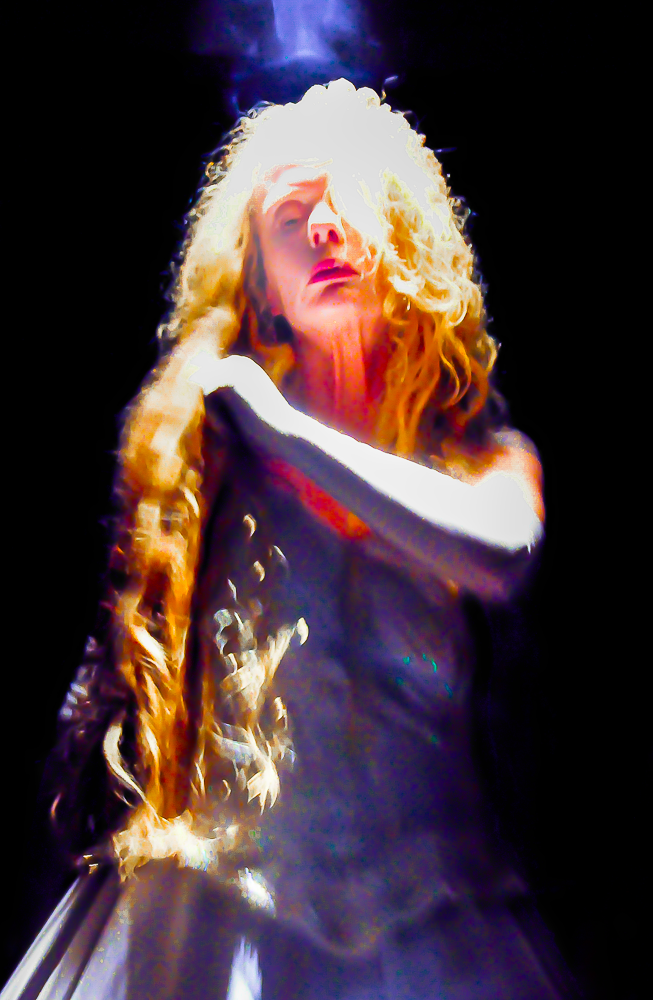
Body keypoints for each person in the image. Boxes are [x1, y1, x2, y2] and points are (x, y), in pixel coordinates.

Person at [3, 79, 579, 1000]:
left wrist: (281, 428)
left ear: (401, 240)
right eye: (290, 215)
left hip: (436, 930)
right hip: (218, 922)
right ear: (261, 290)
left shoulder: (482, 457)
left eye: (349, 202)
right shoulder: (201, 465)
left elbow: (502, 556)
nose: (325, 228)